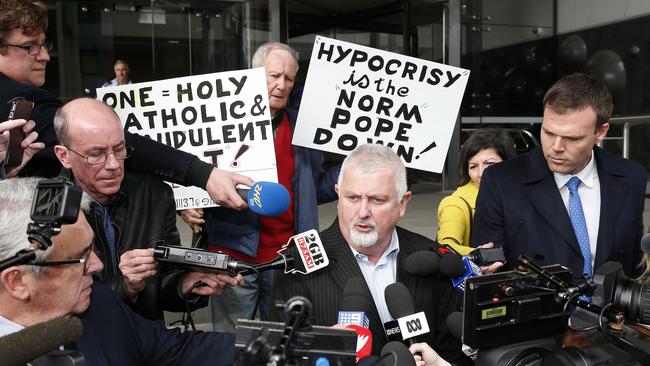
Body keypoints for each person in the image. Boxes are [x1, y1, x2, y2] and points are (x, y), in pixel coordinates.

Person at [0, 0, 252, 210]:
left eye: (43, 44)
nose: (43, 55)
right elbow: (119, 143)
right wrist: (203, 174)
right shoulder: (24, 102)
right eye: (29, 47)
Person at [181, 42, 340, 333]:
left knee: (283, 342)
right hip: (234, 259)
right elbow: (188, 173)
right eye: (273, 75)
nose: (281, 85)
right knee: (229, 345)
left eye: (288, 78)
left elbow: (312, 190)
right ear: (253, 75)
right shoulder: (216, 122)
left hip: (288, 261)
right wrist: (184, 201)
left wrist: (346, 175)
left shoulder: (303, 130)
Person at [0, 178, 236, 365]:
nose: (97, 265)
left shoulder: (97, 303)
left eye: (92, 248)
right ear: (17, 281)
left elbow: (173, 349)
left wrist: (266, 346)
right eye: (81, 257)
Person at [51, 97, 243, 321]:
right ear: (64, 156)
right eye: (96, 154)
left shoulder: (154, 194)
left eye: (120, 149)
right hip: (84, 345)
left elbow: (164, 281)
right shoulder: (46, 210)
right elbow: (57, 303)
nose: (113, 165)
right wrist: (126, 286)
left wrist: (185, 284)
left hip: (149, 338)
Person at [272, 144, 464, 363]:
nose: (362, 212)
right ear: (338, 195)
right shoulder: (297, 264)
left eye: (377, 200)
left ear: (403, 203)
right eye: (352, 198)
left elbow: (451, 350)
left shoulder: (430, 258)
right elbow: (283, 356)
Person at [473, 73, 647, 278]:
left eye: (572, 138)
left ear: (600, 132)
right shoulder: (500, 181)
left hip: (611, 308)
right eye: (548, 133)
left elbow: (634, 262)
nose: (556, 147)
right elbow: (489, 269)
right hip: (537, 307)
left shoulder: (631, 177)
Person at [436, 128, 515, 254]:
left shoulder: (520, 193)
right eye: (473, 166)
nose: (481, 173)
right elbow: (445, 247)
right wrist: (480, 255)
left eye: (489, 164)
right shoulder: (456, 204)